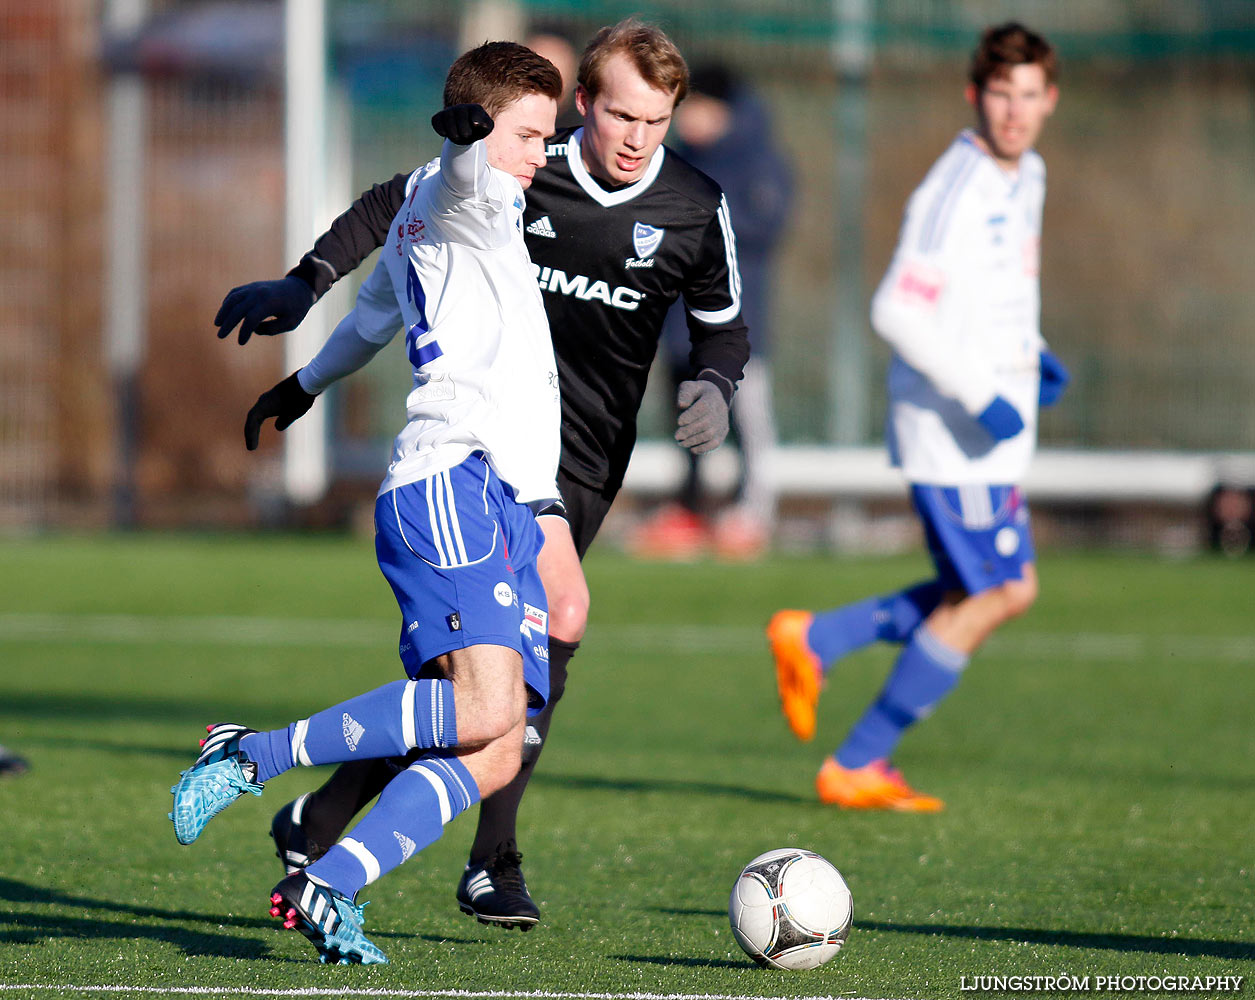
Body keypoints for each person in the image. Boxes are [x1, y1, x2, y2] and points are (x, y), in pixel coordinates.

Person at [213, 19, 749, 930]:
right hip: (480, 461)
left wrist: (715, 383)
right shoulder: (499, 180)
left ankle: (322, 823)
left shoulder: (690, 205)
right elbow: (414, 195)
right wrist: (307, 282)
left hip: (571, 461)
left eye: (657, 121)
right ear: (584, 105)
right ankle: (477, 857)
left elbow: (723, 326)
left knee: (475, 693)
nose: (634, 137)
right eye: (618, 114)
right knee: (509, 670)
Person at [171, 41, 564, 965]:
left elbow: (368, 319)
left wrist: (303, 385)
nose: (543, 152)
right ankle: (250, 753)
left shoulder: (429, 217)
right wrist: (473, 143)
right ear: (480, 126)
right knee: (480, 710)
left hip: (502, 499)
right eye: (532, 135)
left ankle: (326, 885)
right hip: (451, 482)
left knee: (500, 746)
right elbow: (465, 173)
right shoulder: (467, 192)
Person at [768, 22, 1069, 812]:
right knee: (998, 592)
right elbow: (898, 309)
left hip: (984, 436)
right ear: (975, 95)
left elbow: (997, 290)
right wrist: (985, 394)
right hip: (953, 437)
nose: (1013, 112)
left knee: (987, 586)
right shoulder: (954, 190)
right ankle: (859, 758)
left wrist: (1029, 350)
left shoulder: (1025, 174)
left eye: (1028, 95)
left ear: (1049, 100)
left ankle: (818, 639)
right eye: (999, 94)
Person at [631, 62, 792, 561]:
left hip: (739, 324)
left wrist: (700, 221)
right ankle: (691, 509)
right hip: (680, 323)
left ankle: (754, 511)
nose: (689, 119)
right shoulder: (676, 160)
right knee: (687, 419)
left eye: (698, 107)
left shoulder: (760, 163)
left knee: (746, 418)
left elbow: (766, 227)